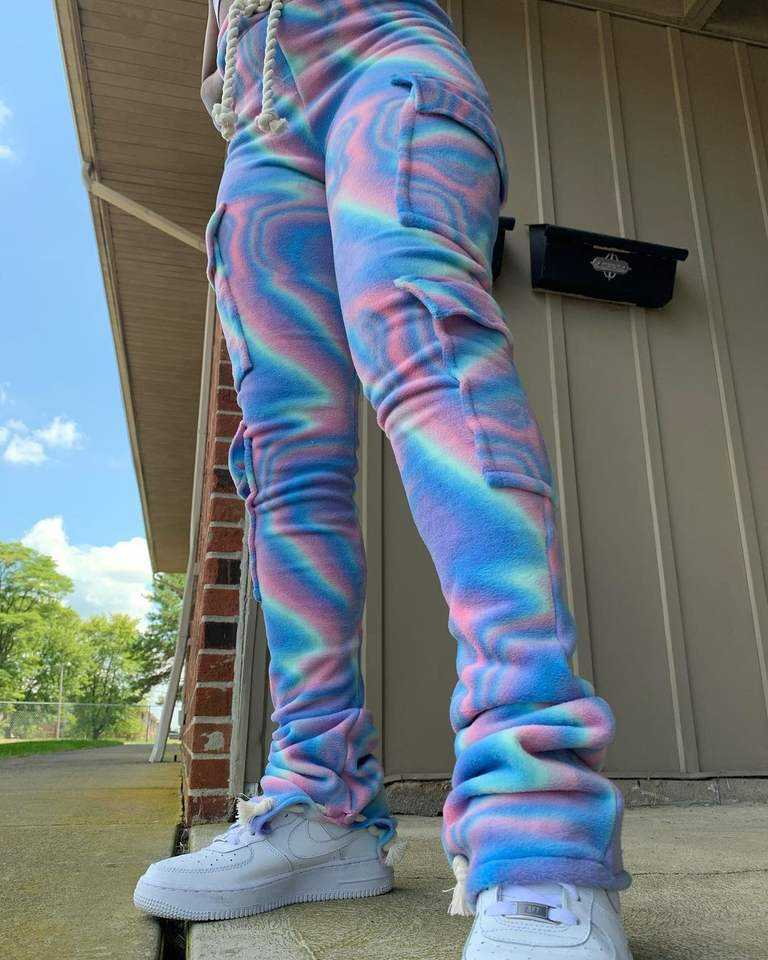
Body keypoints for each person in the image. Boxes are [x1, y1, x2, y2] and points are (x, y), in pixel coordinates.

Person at [134, 1, 633, 956]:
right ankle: (320, 806)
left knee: (428, 349)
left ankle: (542, 820)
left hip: (382, 46)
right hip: (260, 119)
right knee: (282, 452)